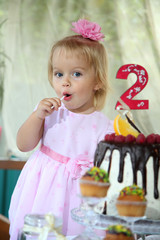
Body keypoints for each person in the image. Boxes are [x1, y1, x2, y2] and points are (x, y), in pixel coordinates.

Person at [9, 19, 114, 239]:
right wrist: (38, 116)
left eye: (76, 74)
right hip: (43, 190)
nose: (64, 82)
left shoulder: (105, 124)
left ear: (97, 82)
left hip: (80, 196)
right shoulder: (49, 112)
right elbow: (23, 144)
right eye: (59, 74)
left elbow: (107, 168)